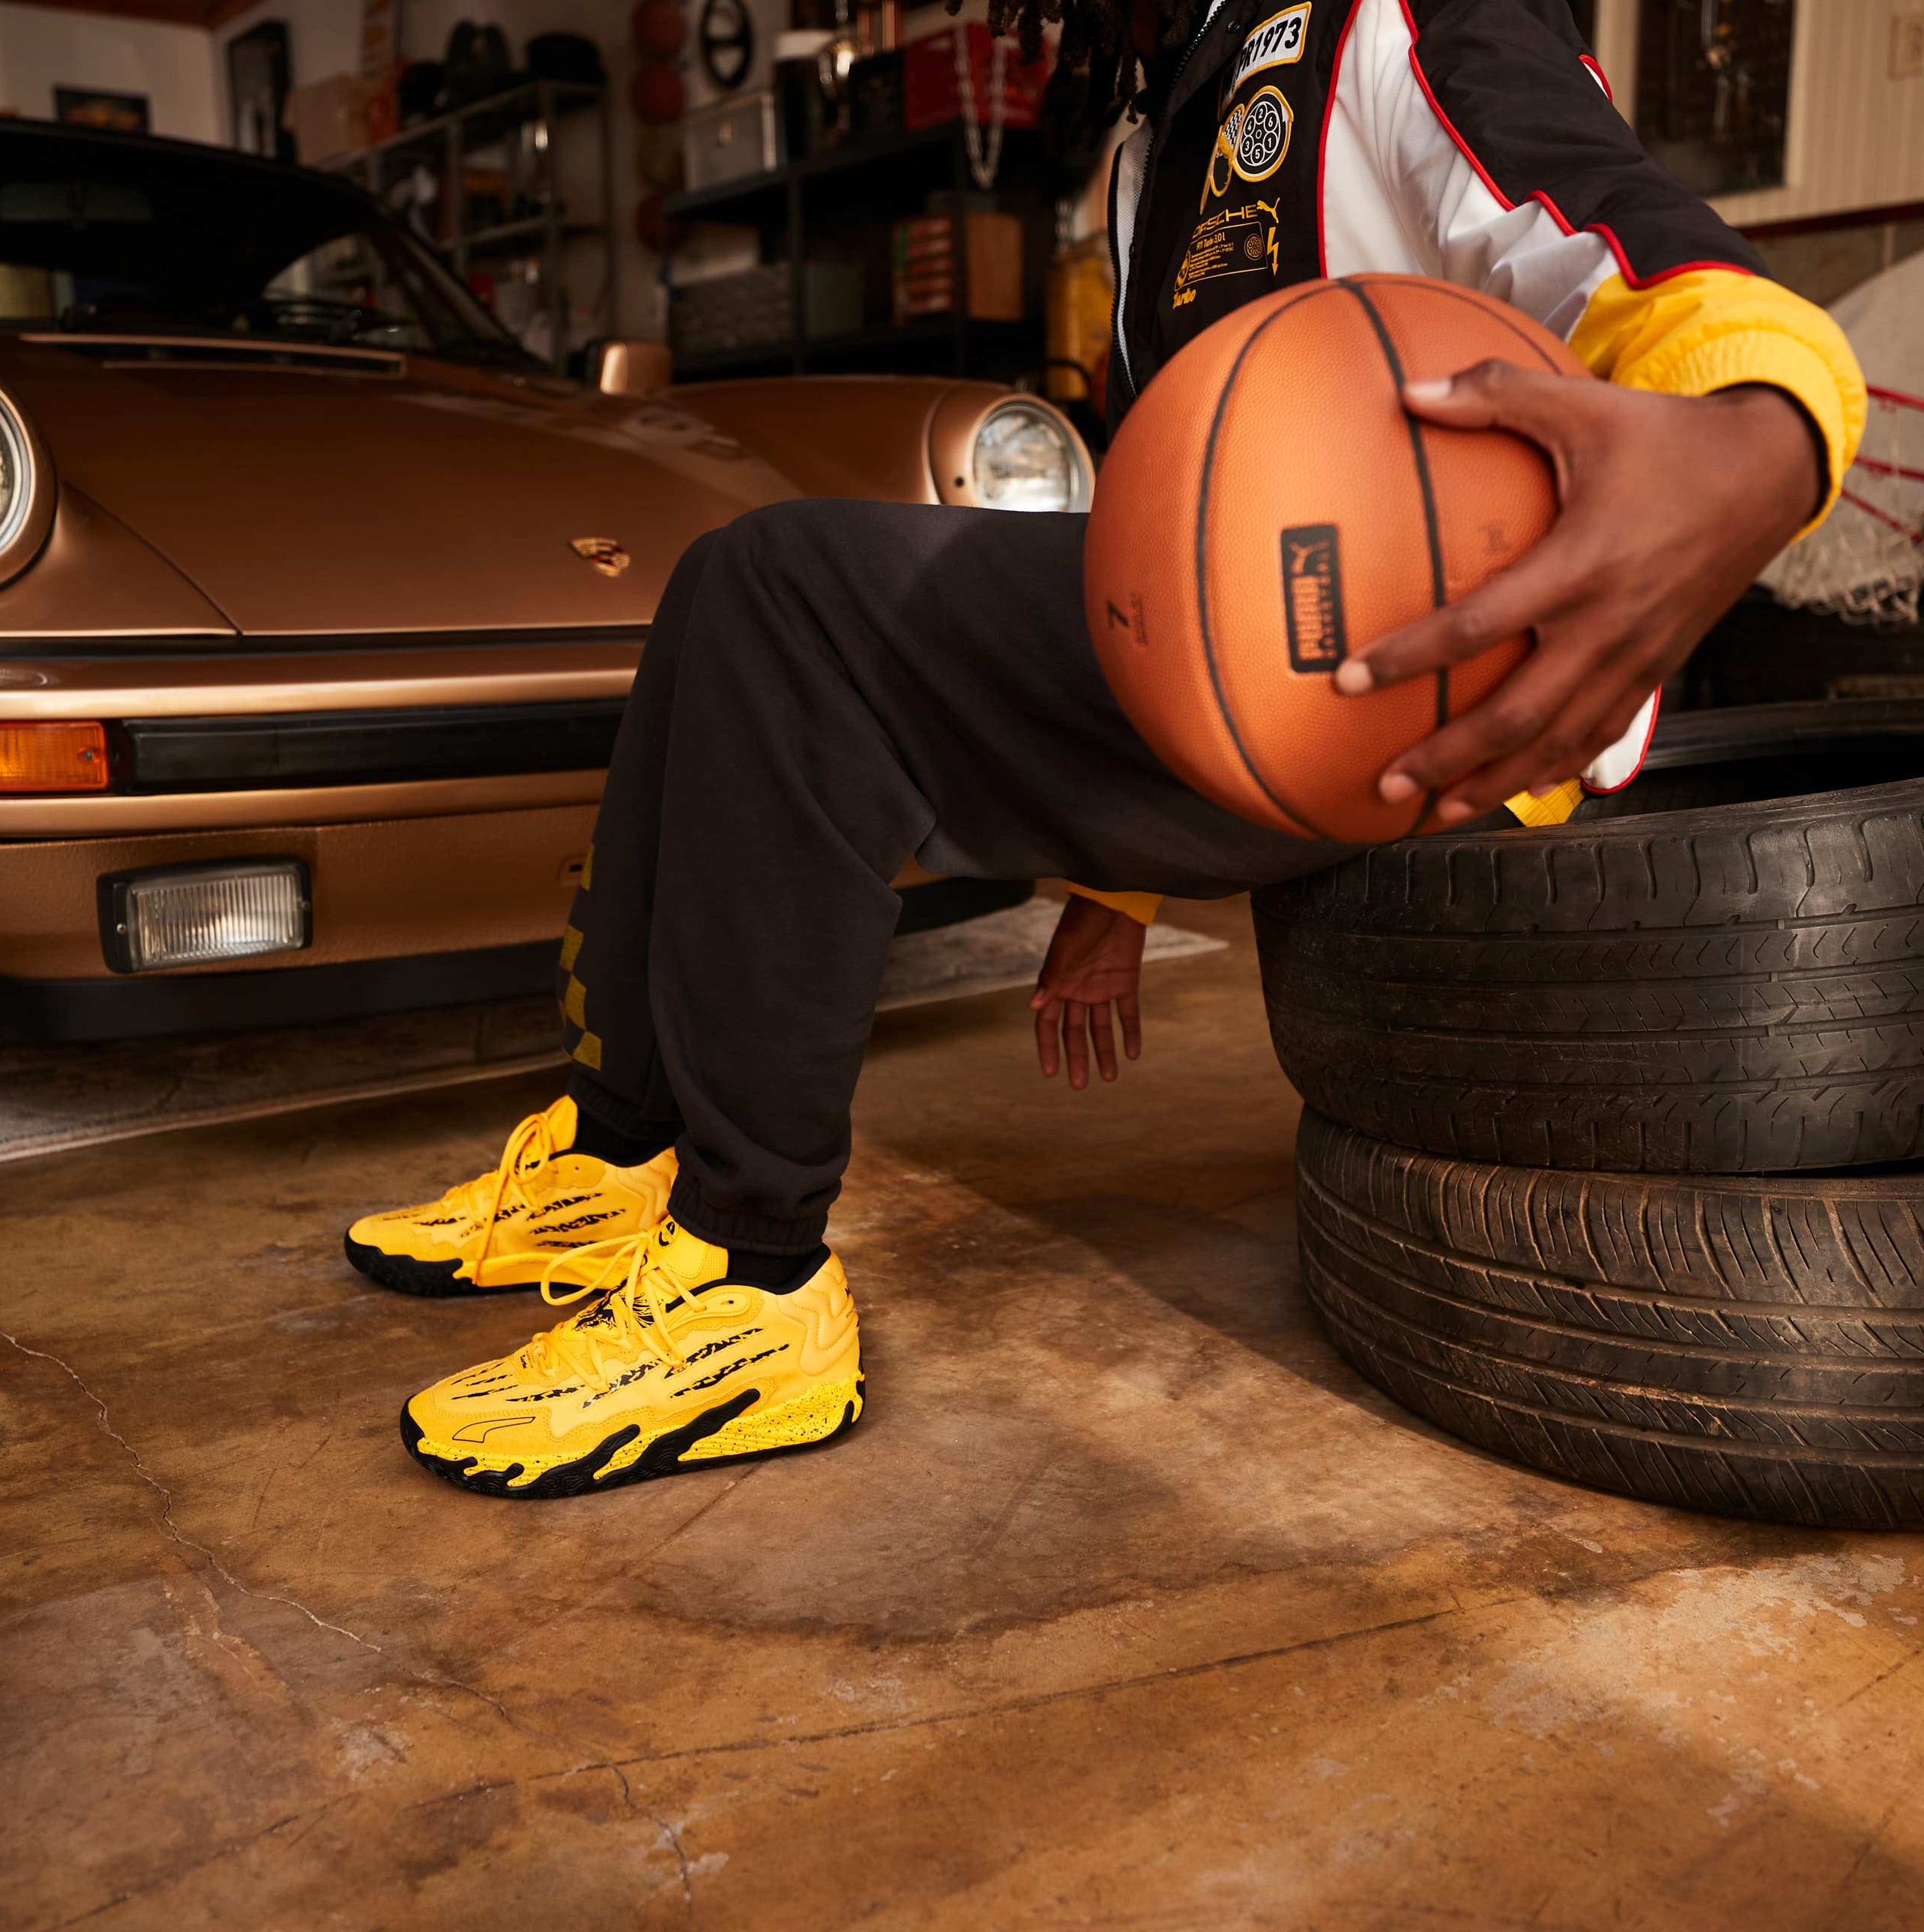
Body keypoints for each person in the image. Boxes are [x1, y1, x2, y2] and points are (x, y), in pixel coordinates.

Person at [346, 0, 1865, 1499]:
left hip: (1424, 713)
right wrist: (1118, 883)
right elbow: (1165, 548)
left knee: (783, 590)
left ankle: (747, 1287)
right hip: (1263, 690)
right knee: (720, 598)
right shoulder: (1163, 120)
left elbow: (1661, 261)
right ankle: (614, 1160)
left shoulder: (1393, 21)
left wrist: (1756, 445)